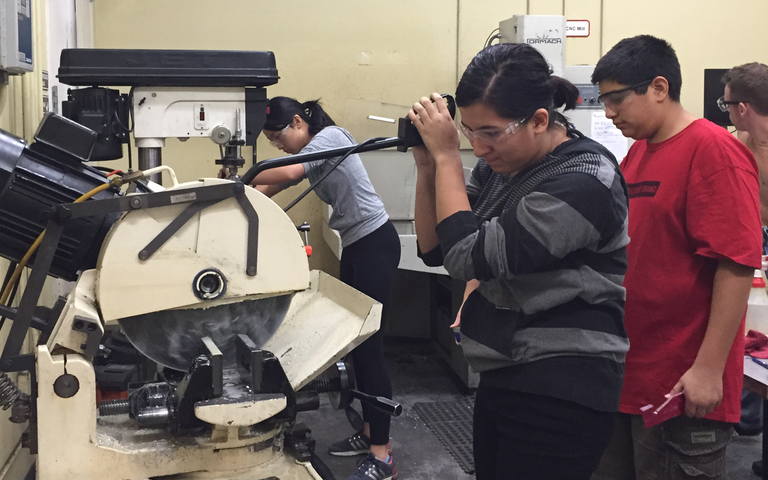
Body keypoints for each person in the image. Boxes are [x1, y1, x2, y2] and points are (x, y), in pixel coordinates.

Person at [408, 43, 630, 480]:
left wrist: (448, 156)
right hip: (507, 369)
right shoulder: (502, 167)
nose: (479, 146)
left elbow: (464, 256)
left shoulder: (583, 180)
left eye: (489, 132)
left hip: (562, 383)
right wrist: (426, 165)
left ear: (540, 120)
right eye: (468, 131)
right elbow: (434, 245)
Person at [589, 36, 762, 480]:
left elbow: (737, 264)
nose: (609, 113)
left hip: (682, 382)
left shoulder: (714, 152)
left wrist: (707, 371)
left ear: (659, 87)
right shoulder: (638, 153)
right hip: (630, 372)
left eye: (616, 99)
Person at [248, 96, 401, 480]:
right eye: (270, 141)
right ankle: (369, 434)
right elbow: (270, 188)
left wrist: (245, 177)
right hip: (357, 244)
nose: (278, 145)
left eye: (278, 136)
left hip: (374, 243)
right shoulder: (312, 151)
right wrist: (236, 197)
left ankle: (383, 457)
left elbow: (284, 174)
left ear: (299, 122)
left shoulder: (330, 137)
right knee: (356, 341)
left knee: (370, 347)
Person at [722, 62, 768, 476]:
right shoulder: (736, 143)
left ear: (743, 106)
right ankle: (749, 415)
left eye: (728, 103)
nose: (726, 109)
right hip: (751, 235)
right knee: (751, 323)